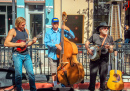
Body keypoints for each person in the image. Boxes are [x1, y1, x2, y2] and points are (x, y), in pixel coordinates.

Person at [4, 17, 37, 91]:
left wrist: (33, 42)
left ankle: (33, 89)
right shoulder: (13, 31)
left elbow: (28, 43)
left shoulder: (26, 31)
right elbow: (6, 43)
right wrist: (18, 45)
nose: (24, 26)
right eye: (22, 25)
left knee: (31, 73)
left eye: (24, 25)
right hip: (17, 55)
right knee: (18, 74)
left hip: (26, 54)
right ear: (18, 24)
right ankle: (19, 89)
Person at [44, 17, 75, 87]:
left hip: (63, 55)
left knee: (62, 70)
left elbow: (72, 36)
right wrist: (55, 45)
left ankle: (62, 83)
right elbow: (46, 43)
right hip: (53, 55)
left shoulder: (62, 31)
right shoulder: (48, 33)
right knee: (53, 71)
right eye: (54, 23)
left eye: (57, 23)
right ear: (52, 24)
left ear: (58, 23)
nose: (56, 24)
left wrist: (68, 29)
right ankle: (55, 85)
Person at [85, 21, 114, 91]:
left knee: (103, 77)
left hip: (104, 60)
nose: (106, 29)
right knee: (92, 76)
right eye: (104, 28)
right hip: (94, 60)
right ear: (100, 30)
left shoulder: (110, 38)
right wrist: (88, 49)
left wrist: (109, 48)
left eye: (107, 28)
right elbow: (87, 42)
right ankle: (91, 89)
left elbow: (111, 50)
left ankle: (102, 89)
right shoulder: (94, 36)